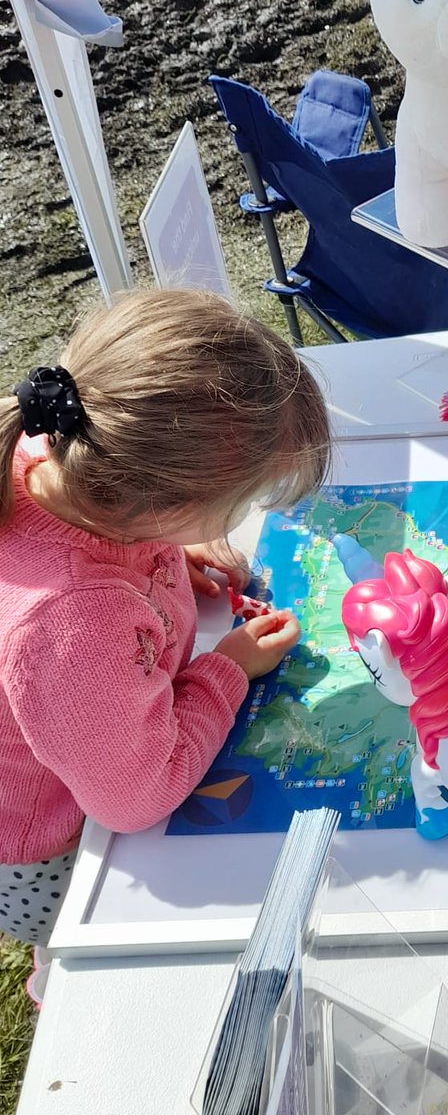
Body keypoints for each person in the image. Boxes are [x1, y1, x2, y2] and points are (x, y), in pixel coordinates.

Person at [0, 290, 331, 945]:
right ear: (167, 501)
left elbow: (105, 537)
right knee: (91, 960)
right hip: (57, 853)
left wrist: (170, 548)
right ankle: (55, 977)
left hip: (83, 750)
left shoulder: (64, 449)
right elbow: (135, 798)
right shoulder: (73, 624)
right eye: (241, 501)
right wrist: (225, 670)